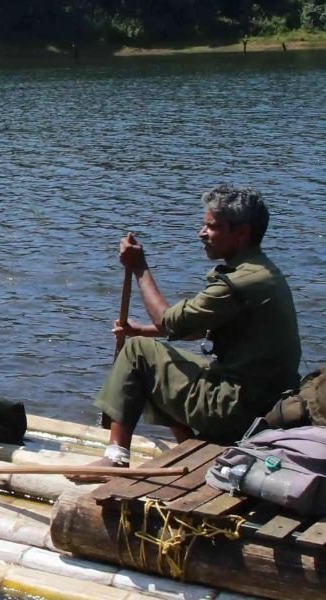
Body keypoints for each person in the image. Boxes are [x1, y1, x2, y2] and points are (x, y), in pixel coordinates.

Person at [75, 185, 300, 480]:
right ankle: (187, 443)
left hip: (237, 410)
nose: (201, 233)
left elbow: (172, 322)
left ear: (242, 233)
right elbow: (197, 328)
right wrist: (140, 329)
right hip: (264, 403)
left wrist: (139, 267)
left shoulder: (240, 282)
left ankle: (116, 458)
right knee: (163, 358)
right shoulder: (261, 272)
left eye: (212, 226)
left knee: (138, 351)